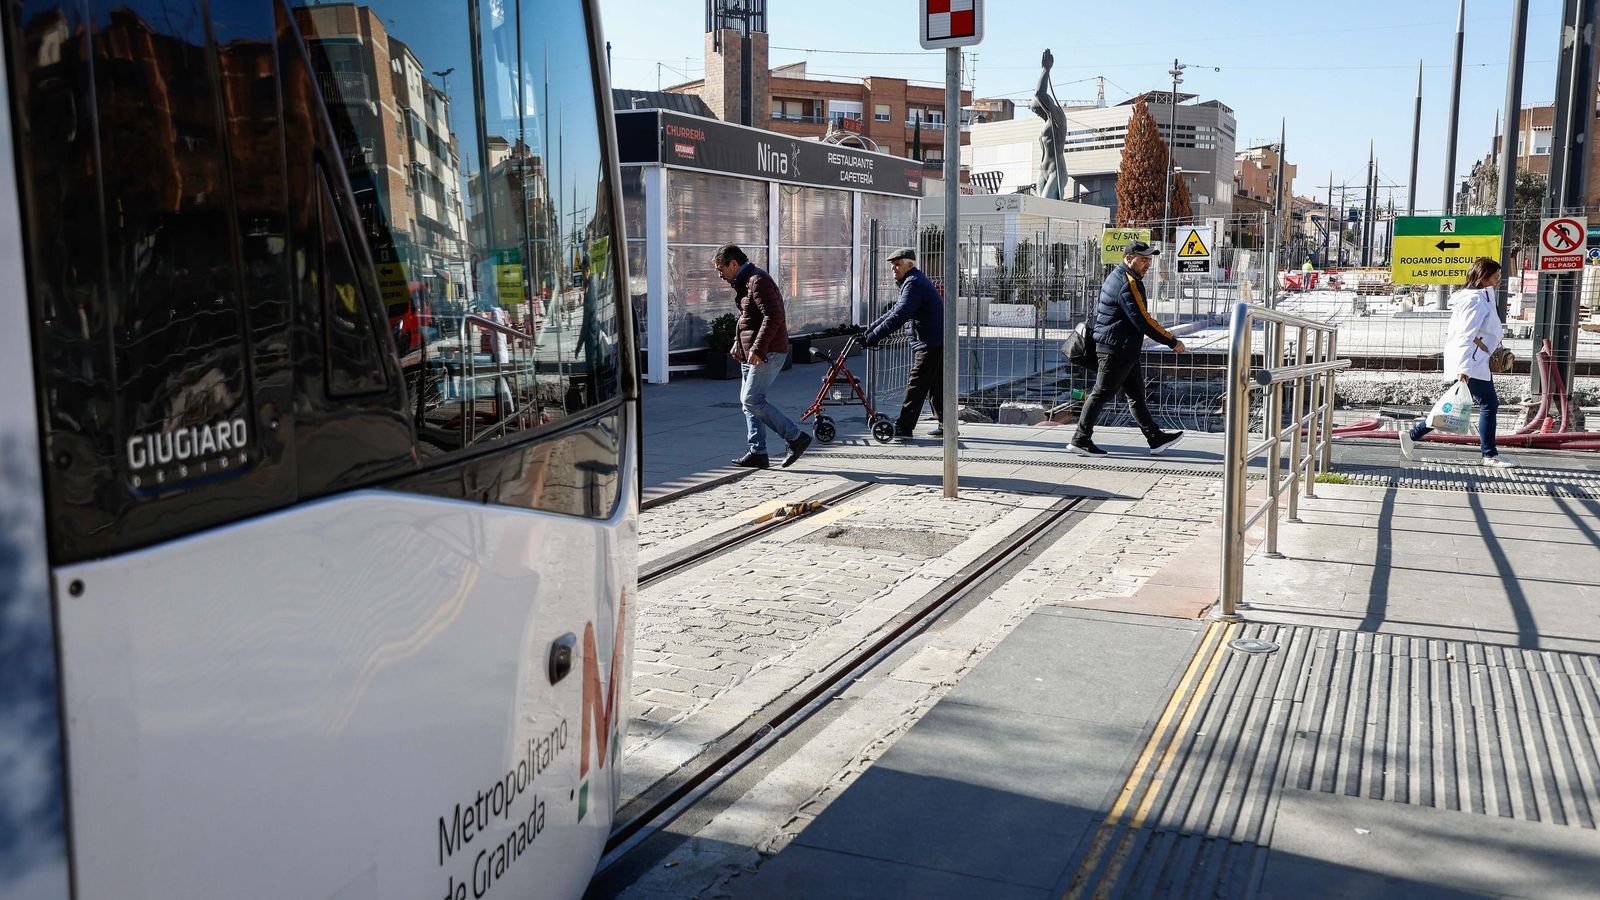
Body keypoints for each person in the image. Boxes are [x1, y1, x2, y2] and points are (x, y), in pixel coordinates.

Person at [1069, 240, 1187, 457]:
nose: (1148, 264)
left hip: (1123, 348)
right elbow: (1142, 320)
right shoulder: (1128, 282)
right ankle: (1080, 439)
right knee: (1101, 393)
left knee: (1136, 395)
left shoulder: (1119, 276)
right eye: (1143, 260)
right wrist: (1172, 340)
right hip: (1116, 348)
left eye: (1149, 260)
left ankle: (1155, 438)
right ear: (1129, 258)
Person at [1399, 257, 1513, 468]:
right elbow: (1465, 334)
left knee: (1455, 405)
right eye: (1496, 277)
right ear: (1483, 278)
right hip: (1471, 360)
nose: (1499, 281)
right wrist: (1464, 368)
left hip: (1474, 359)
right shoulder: (1475, 300)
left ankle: (1413, 435)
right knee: (1488, 404)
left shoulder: (1479, 297)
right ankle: (1489, 455)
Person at [713, 244, 811, 469]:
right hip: (751, 352)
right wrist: (739, 343)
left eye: (721, 269)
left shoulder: (758, 281)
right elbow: (748, 318)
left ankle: (796, 438)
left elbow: (773, 317)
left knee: (752, 400)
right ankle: (758, 451)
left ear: (734, 264)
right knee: (748, 403)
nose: (720, 275)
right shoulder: (745, 281)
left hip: (768, 352)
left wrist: (758, 349)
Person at [863, 247, 947, 440]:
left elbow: (900, 315)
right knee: (935, 386)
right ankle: (946, 424)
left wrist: (873, 337)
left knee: (916, 384)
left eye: (898, 264)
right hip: (934, 340)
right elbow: (894, 311)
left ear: (910, 264)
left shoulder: (914, 283)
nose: (894, 268)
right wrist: (869, 331)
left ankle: (903, 427)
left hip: (930, 342)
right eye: (892, 265)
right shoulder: (912, 282)